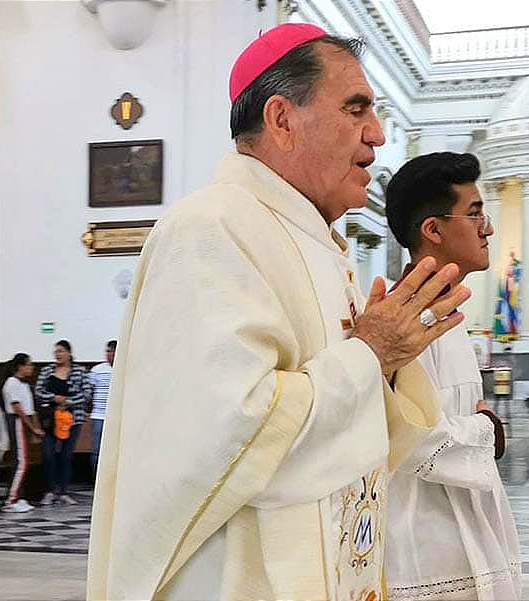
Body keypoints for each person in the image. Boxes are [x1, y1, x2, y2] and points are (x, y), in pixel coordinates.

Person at [88, 23, 472, 601]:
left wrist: (386, 369)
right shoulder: (212, 228)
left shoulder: (319, 244)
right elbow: (232, 431)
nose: (376, 136)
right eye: (356, 109)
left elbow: (353, 433)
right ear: (282, 119)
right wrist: (371, 354)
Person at [383, 152, 521, 600]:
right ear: (433, 230)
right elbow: (409, 440)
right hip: (425, 538)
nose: (489, 228)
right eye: (475, 214)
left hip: (464, 523)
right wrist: (487, 429)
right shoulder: (406, 319)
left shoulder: (449, 311)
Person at [34, 340, 93, 506]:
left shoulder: (80, 371)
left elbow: (87, 393)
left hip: (72, 418)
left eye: (61, 351)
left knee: (67, 456)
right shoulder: (47, 371)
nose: (58, 355)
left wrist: (69, 401)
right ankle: (50, 490)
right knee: (48, 454)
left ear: (68, 353)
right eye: (56, 352)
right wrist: (53, 398)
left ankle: (64, 491)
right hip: (51, 418)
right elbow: (38, 391)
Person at [2, 353, 44, 513]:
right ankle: (11, 500)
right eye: (29, 364)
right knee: (21, 462)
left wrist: (35, 428)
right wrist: (32, 428)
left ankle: (18, 496)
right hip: (17, 422)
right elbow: (18, 409)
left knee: (22, 461)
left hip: (24, 423)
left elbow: (30, 410)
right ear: (21, 366)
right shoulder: (12, 383)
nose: (32, 368)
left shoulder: (24, 385)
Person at [88, 340, 116, 478]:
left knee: (115, 451)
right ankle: (96, 480)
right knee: (97, 451)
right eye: (108, 351)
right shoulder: (97, 370)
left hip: (117, 417)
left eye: (112, 351)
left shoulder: (125, 370)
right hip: (99, 415)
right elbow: (88, 392)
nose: (109, 354)